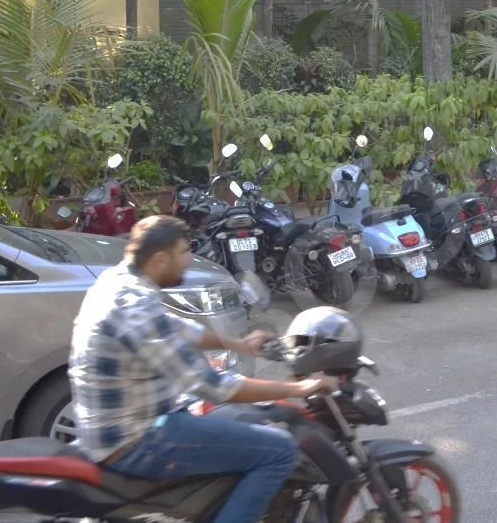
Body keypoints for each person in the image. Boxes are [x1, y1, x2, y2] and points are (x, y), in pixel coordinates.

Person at [70, 216, 336, 522]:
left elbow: (176, 328)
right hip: (135, 440)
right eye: (184, 252)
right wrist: (299, 388)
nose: (188, 260)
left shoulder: (118, 281)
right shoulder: (134, 305)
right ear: (160, 258)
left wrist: (238, 344)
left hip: (123, 425)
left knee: (236, 420)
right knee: (279, 450)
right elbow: (213, 386)